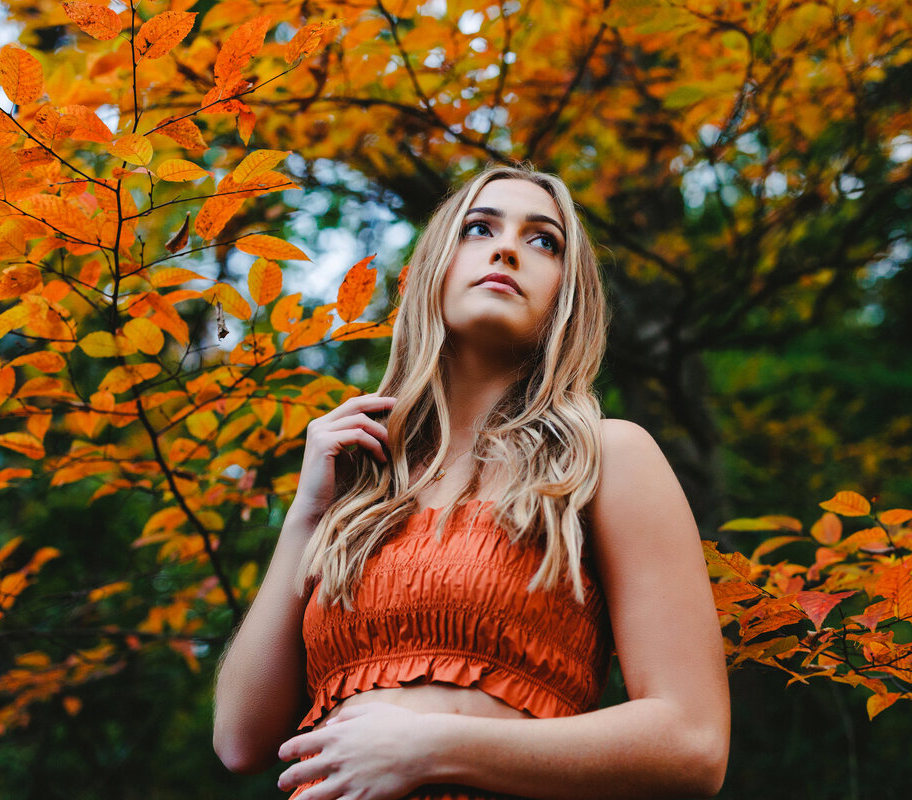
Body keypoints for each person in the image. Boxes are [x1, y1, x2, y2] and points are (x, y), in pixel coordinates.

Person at [213, 165, 730, 799]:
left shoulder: (604, 458)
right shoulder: (362, 486)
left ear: (569, 294)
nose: (507, 248)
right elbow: (240, 741)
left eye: (545, 241)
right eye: (478, 228)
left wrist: (430, 747)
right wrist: (307, 517)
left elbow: (693, 743)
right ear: (434, 266)